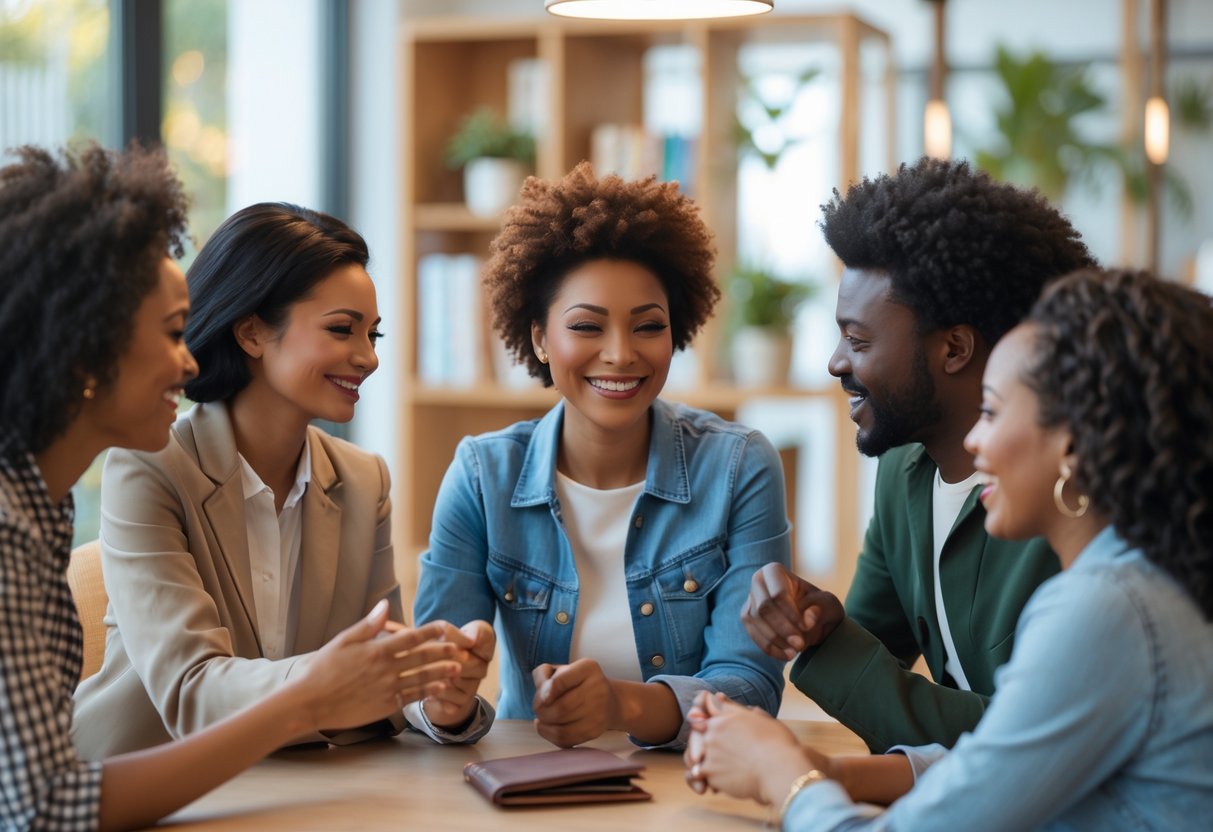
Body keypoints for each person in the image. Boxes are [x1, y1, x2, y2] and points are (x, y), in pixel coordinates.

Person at [0, 144, 463, 831]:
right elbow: (47, 802)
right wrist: (316, 691)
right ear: (88, 346)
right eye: (171, 333)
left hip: (279, 801)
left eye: (373, 334)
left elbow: (374, 684)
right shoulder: (63, 504)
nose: (187, 360)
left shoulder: (46, 505)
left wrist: (432, 689)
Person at [685, 268, 1213, 829]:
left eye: (992, 411)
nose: (975, 440)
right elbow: (1009, 764)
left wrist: (781, 773)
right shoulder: (1149, 582)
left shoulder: (1104, 610)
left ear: (1073, 443)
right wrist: (829, 772)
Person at [71, 200, 495, 756]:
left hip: (296, 785)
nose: (367, 358)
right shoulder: (150, 465)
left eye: (374, 335)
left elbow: (380, 674)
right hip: (144, 786)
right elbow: (190, 690)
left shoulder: (365, 481)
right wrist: (336, 679)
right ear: (251, 333)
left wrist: (437, 701)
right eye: (342, 329)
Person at [413, 162, 791, 749]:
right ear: (539, 337)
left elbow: (752, 686)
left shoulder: (739, 466)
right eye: (587, 326)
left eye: (648, 327)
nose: (620, 354)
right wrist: (448, 705)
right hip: (530, 780)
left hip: (690, 787)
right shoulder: (483, 476)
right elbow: (429, 686)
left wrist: (623, 704)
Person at [743, 158, 1095, 752]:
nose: (835, 362)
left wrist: (815, 779)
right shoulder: (904, 472)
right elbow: (869, 652)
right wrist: (814, 623)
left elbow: (1026, 743)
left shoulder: (1068, 503)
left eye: (857, 341)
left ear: (954, 348)